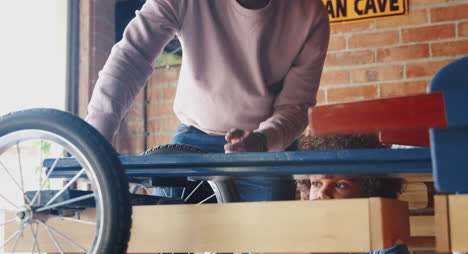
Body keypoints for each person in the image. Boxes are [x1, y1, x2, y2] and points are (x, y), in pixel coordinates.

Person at [85, 0, 329, 203]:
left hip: (265, 150)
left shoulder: (309, 13)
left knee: (267, 253)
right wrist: (96, 135)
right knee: (163, 246)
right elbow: (132, 56)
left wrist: (262, 140)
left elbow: (295, 108)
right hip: (192, 138)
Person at [297, 133, 413, 254]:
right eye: (316, 183)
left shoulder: (387, 241)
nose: (323, 193)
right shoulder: (311, 239)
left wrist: (350, 253)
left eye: (340, 185)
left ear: (371, 192)